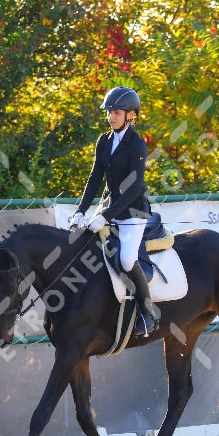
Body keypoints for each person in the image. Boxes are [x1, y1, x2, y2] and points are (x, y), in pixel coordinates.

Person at [67, 86, 160, 336]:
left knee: (127, 260)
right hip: (107, 207)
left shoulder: (137, 145)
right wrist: (81, 210)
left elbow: (133, 189)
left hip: (132, 213)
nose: (111, 117)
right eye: (109, 112)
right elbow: (95, 178)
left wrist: (104, 217)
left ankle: (148, 312)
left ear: (131, 115)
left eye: (117, 112)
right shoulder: (104, 141)